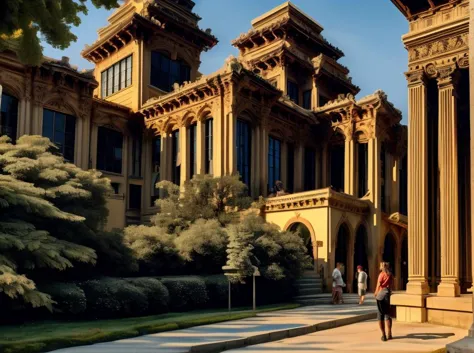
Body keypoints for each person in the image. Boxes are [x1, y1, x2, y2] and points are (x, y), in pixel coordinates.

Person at [374, 262, 393, 341]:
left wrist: (376, 292)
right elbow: (391, 285)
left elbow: (379, 284)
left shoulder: (381, 274)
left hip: (381, 294)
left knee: (380, 315)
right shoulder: (390, 274)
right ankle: (389, 333)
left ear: (382, 267)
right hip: (387, 294)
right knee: (388, 315)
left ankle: (383, 335)